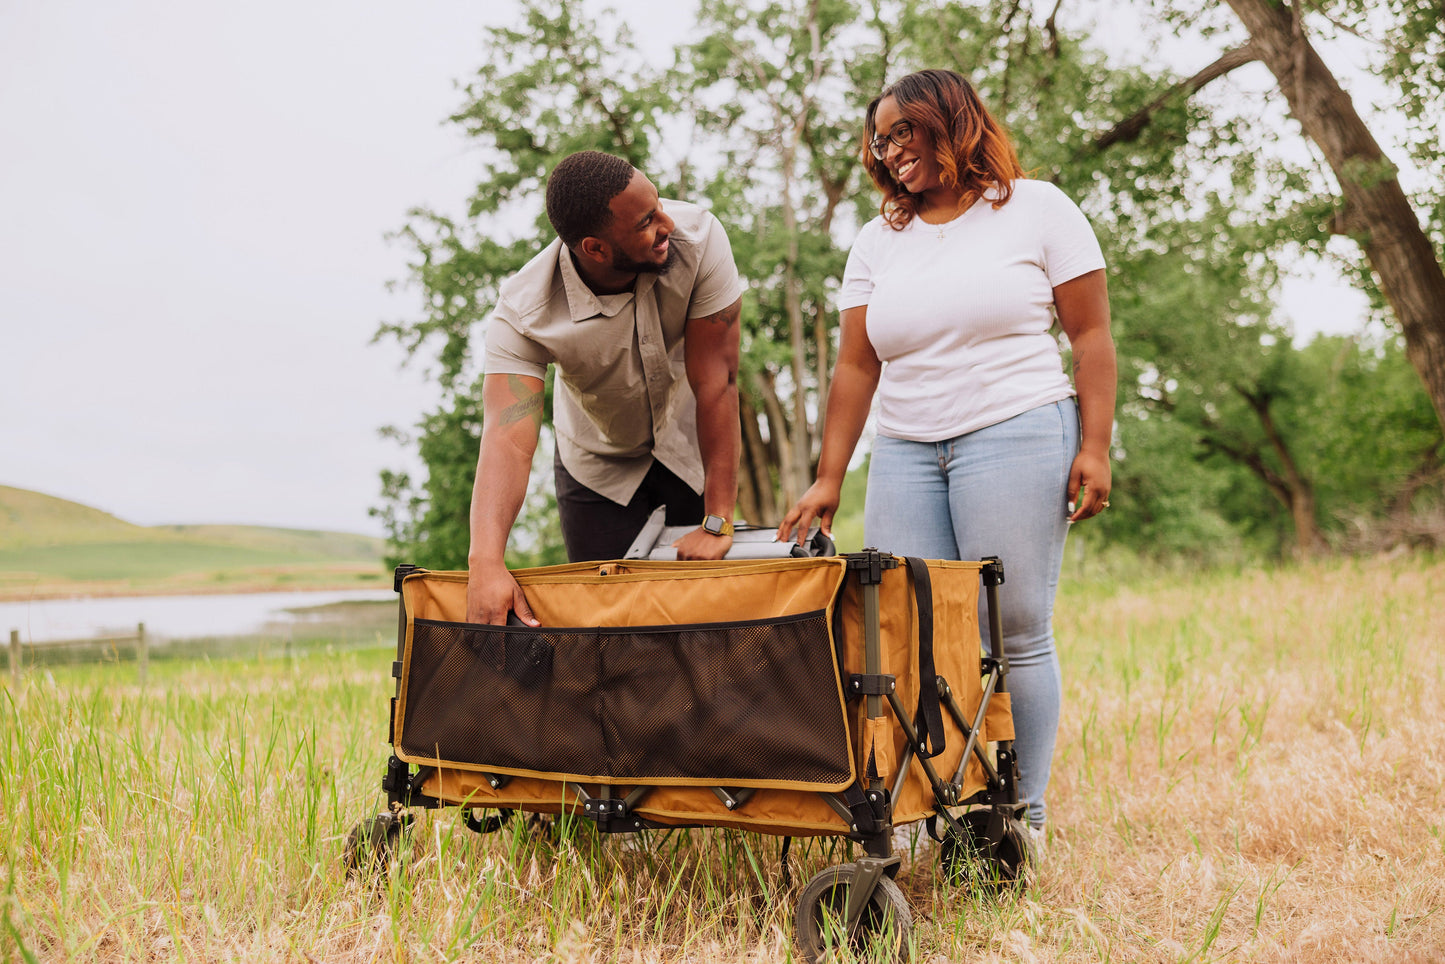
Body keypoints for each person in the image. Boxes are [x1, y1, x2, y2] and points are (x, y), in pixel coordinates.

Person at [777, 69, 1117, 834]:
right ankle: (946, 812)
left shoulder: (1036, 209)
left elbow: (1090, 336)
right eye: (880, 139)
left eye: (904, 130)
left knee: (1013, 627)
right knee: (914, 633)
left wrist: (1094, 446)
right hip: (903, 449)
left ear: (951, 120)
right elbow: (856, 366)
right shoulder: (876, 240)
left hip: (1017, 428)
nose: (890, 149)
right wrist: (830, 476)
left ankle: (1019, 820)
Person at [468, 150, 745, 626]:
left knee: (706, 630)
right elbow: (507, 438)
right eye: (646, 221)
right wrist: (486, 563)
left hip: (689, 447)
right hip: (596, 470)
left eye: (659, 205)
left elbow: (716, 382)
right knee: (607, 639)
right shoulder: (524, 311)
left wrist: (717, 520)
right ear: (595, 248)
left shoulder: (700, 238)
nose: (668, 224)